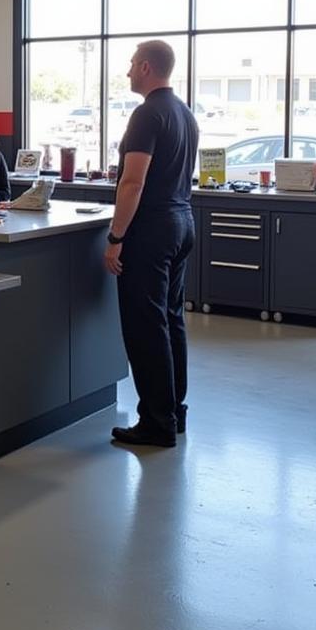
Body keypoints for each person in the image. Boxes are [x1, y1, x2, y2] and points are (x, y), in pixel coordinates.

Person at [103, 40, 199, 448]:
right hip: (182, 223)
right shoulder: (183, 112)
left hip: (151, 230)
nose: (126, 72)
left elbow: (132, 181)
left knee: (146, 327)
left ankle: (155, 422)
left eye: (130, 64)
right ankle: (173, 412)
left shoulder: (146, 114)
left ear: (145, 67)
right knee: (170, 320)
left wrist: (116, 237)